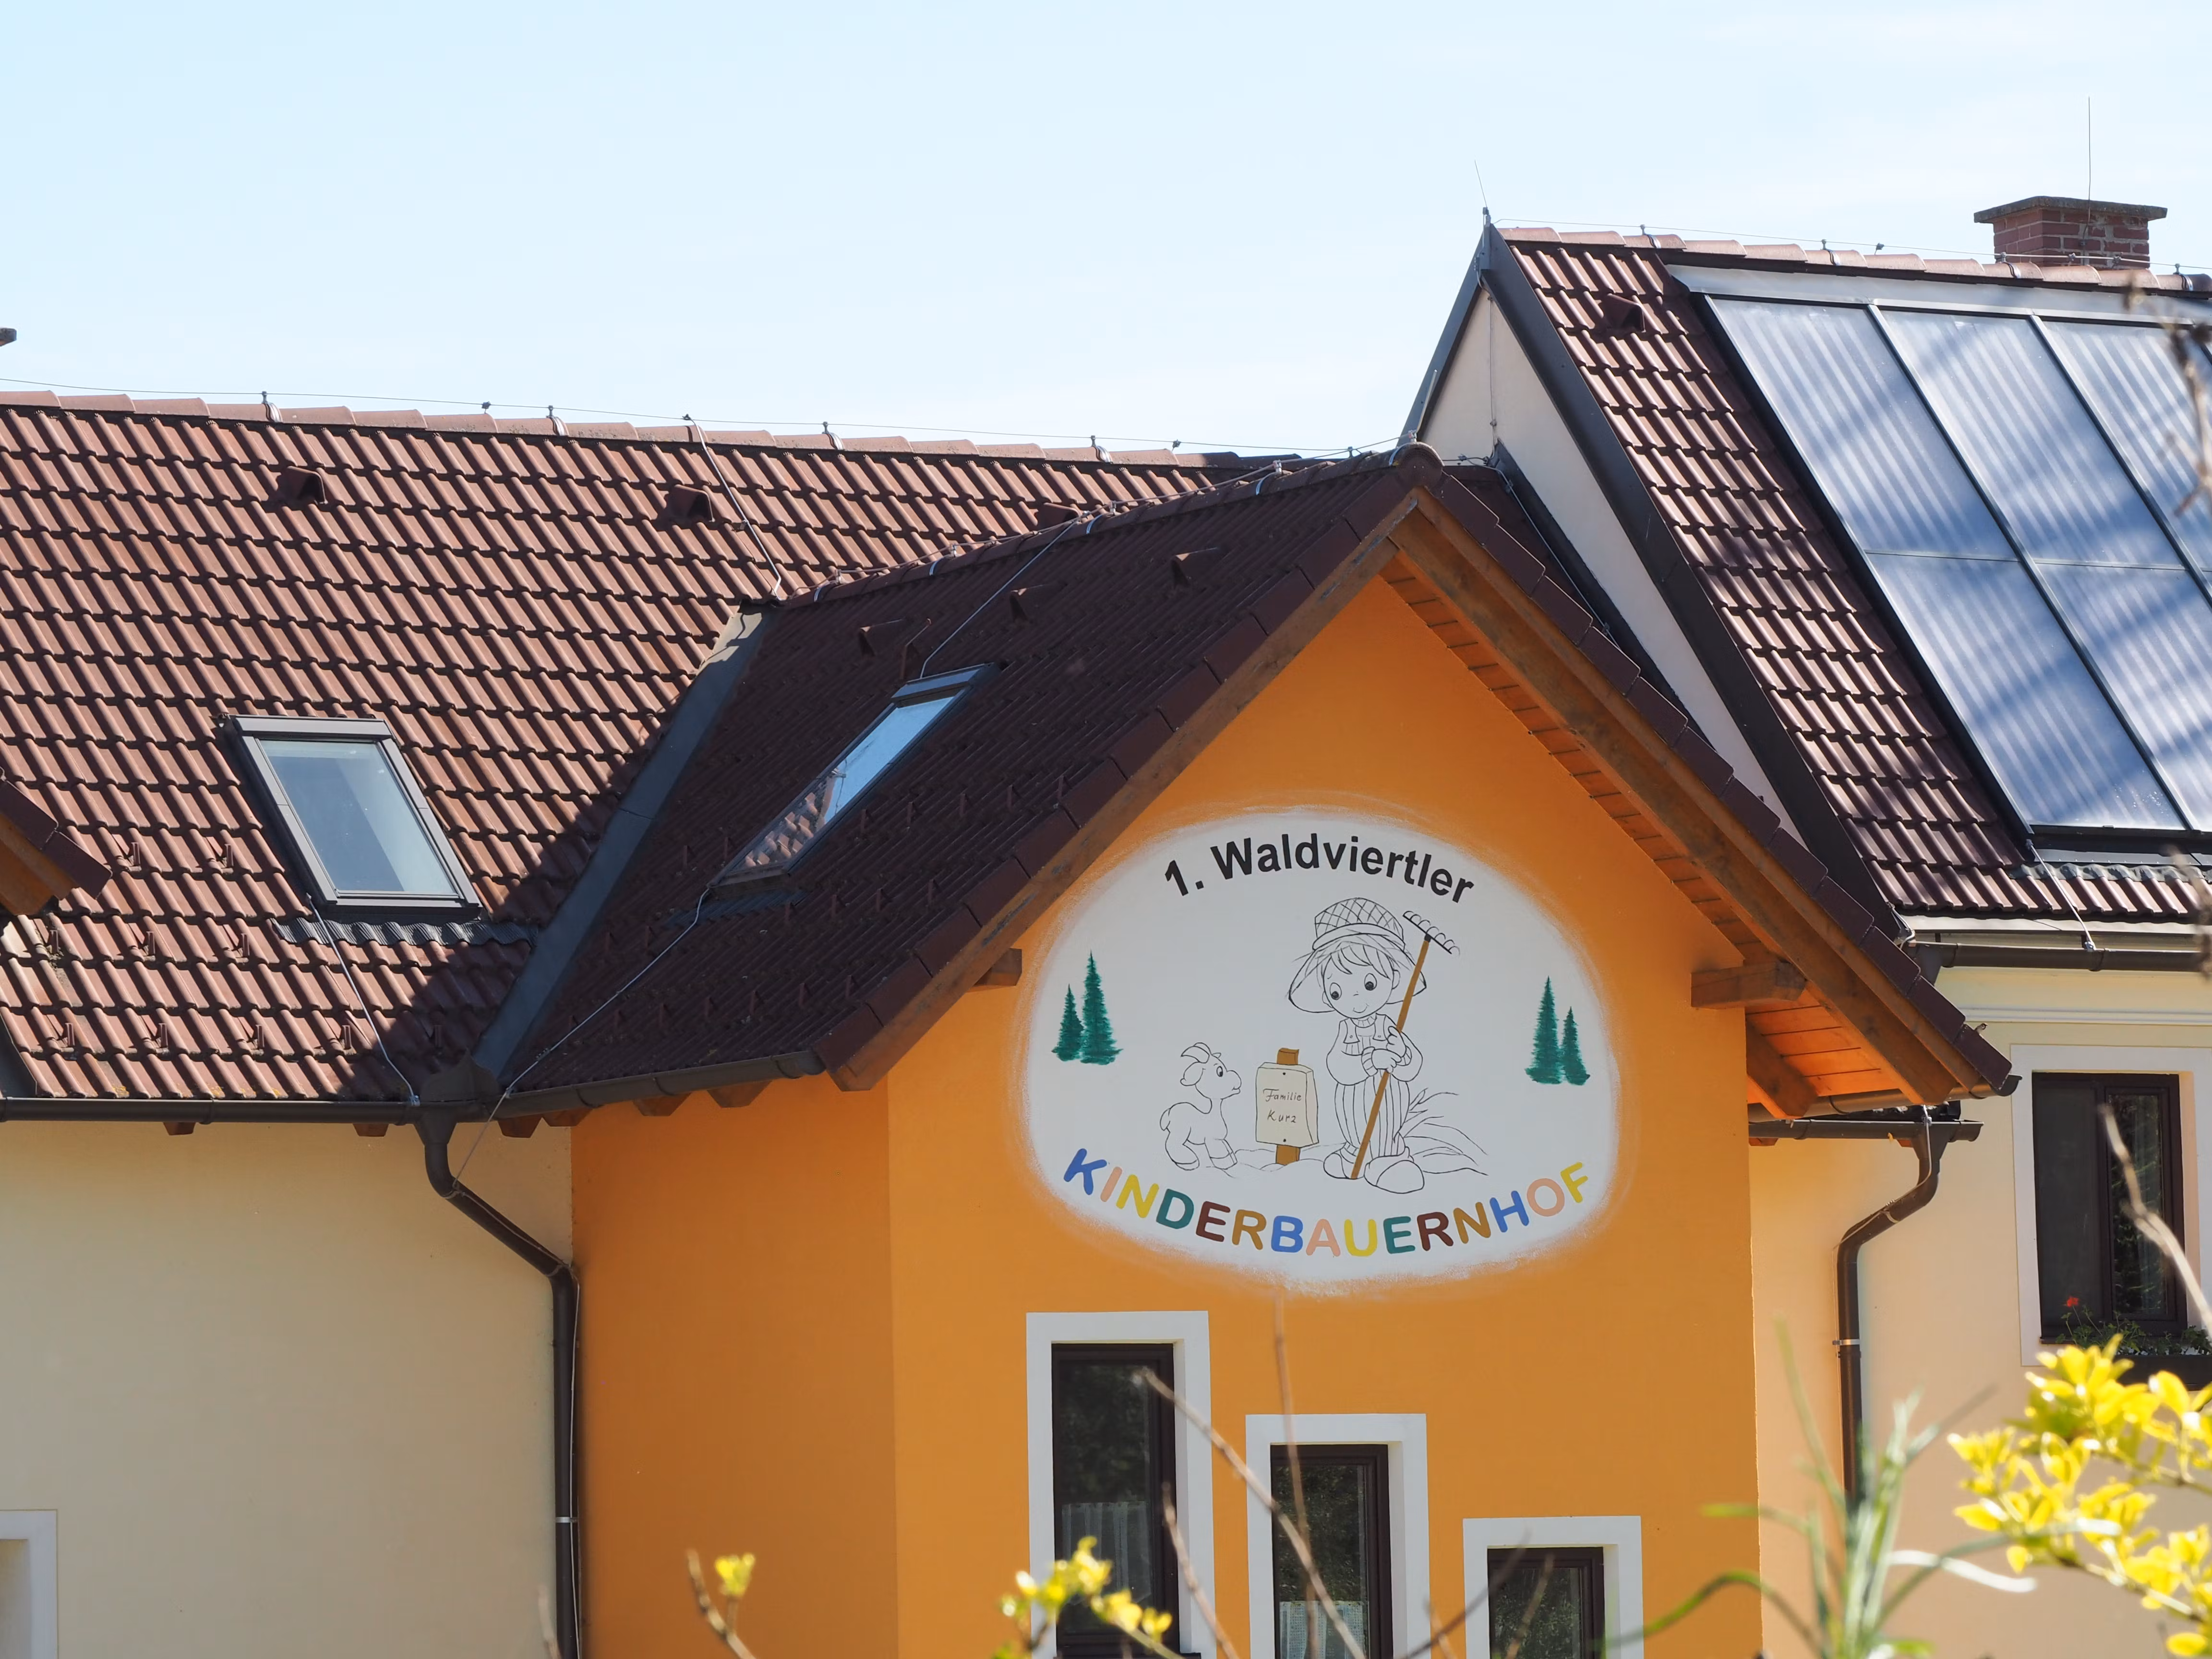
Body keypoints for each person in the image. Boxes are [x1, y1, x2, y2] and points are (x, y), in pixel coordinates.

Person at [1286, 897, 1427, 1194]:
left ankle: (1389, 1159)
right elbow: (1338, 1067)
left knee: (1385, 1127)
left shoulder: (1390, 1027)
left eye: (1369, 985)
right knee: (1355, 1126)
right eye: (1337, 992)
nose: (1356, 1001)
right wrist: (1370, 1061)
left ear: (1394, 980)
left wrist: (1402, 1054)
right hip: (1353, 1101)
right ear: (1326, 995)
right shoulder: (1345, 1028)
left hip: (1388, 1101)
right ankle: (1355, 1153)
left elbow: (1412, 1068)